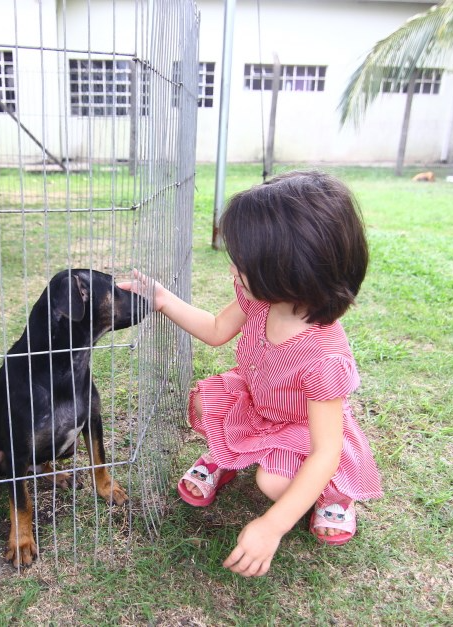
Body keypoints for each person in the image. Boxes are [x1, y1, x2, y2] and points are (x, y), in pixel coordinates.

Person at [119, 170, 382, 577]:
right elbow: (215, 330)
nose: (233, 272)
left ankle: (334, 493)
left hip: (300, 429)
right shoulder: (261, 299)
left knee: (274, 485)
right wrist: (162, 299)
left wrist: (273, 525)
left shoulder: (324, 358)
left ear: (288, 271)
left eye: (242, 265)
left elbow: (325, 450)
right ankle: (229, 455)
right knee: (211, 404)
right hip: (259, 403)